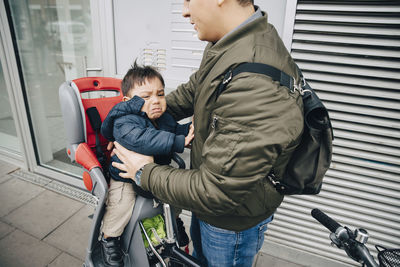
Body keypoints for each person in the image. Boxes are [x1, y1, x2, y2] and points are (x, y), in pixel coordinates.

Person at [111, 0, 304, 266]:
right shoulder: (228, 44)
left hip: (230, 221)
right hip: (207, 206)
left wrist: (144, 171)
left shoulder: (255, 86)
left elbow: (218, 191)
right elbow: (194, 91)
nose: (184, 10)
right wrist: (135, 125)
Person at [99, 61, 194, 267]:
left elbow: (175, 130)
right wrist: (178, 141)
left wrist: (190, 131)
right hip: (124, 175)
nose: (156, 101)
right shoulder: (125, 120)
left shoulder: (164, 117)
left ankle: (175, 222)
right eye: (146, 96)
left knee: (175, 194)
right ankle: (109, 238)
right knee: (121, 205)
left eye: (160, 94)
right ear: (128, 101)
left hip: (155, 172)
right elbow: (143, 139)